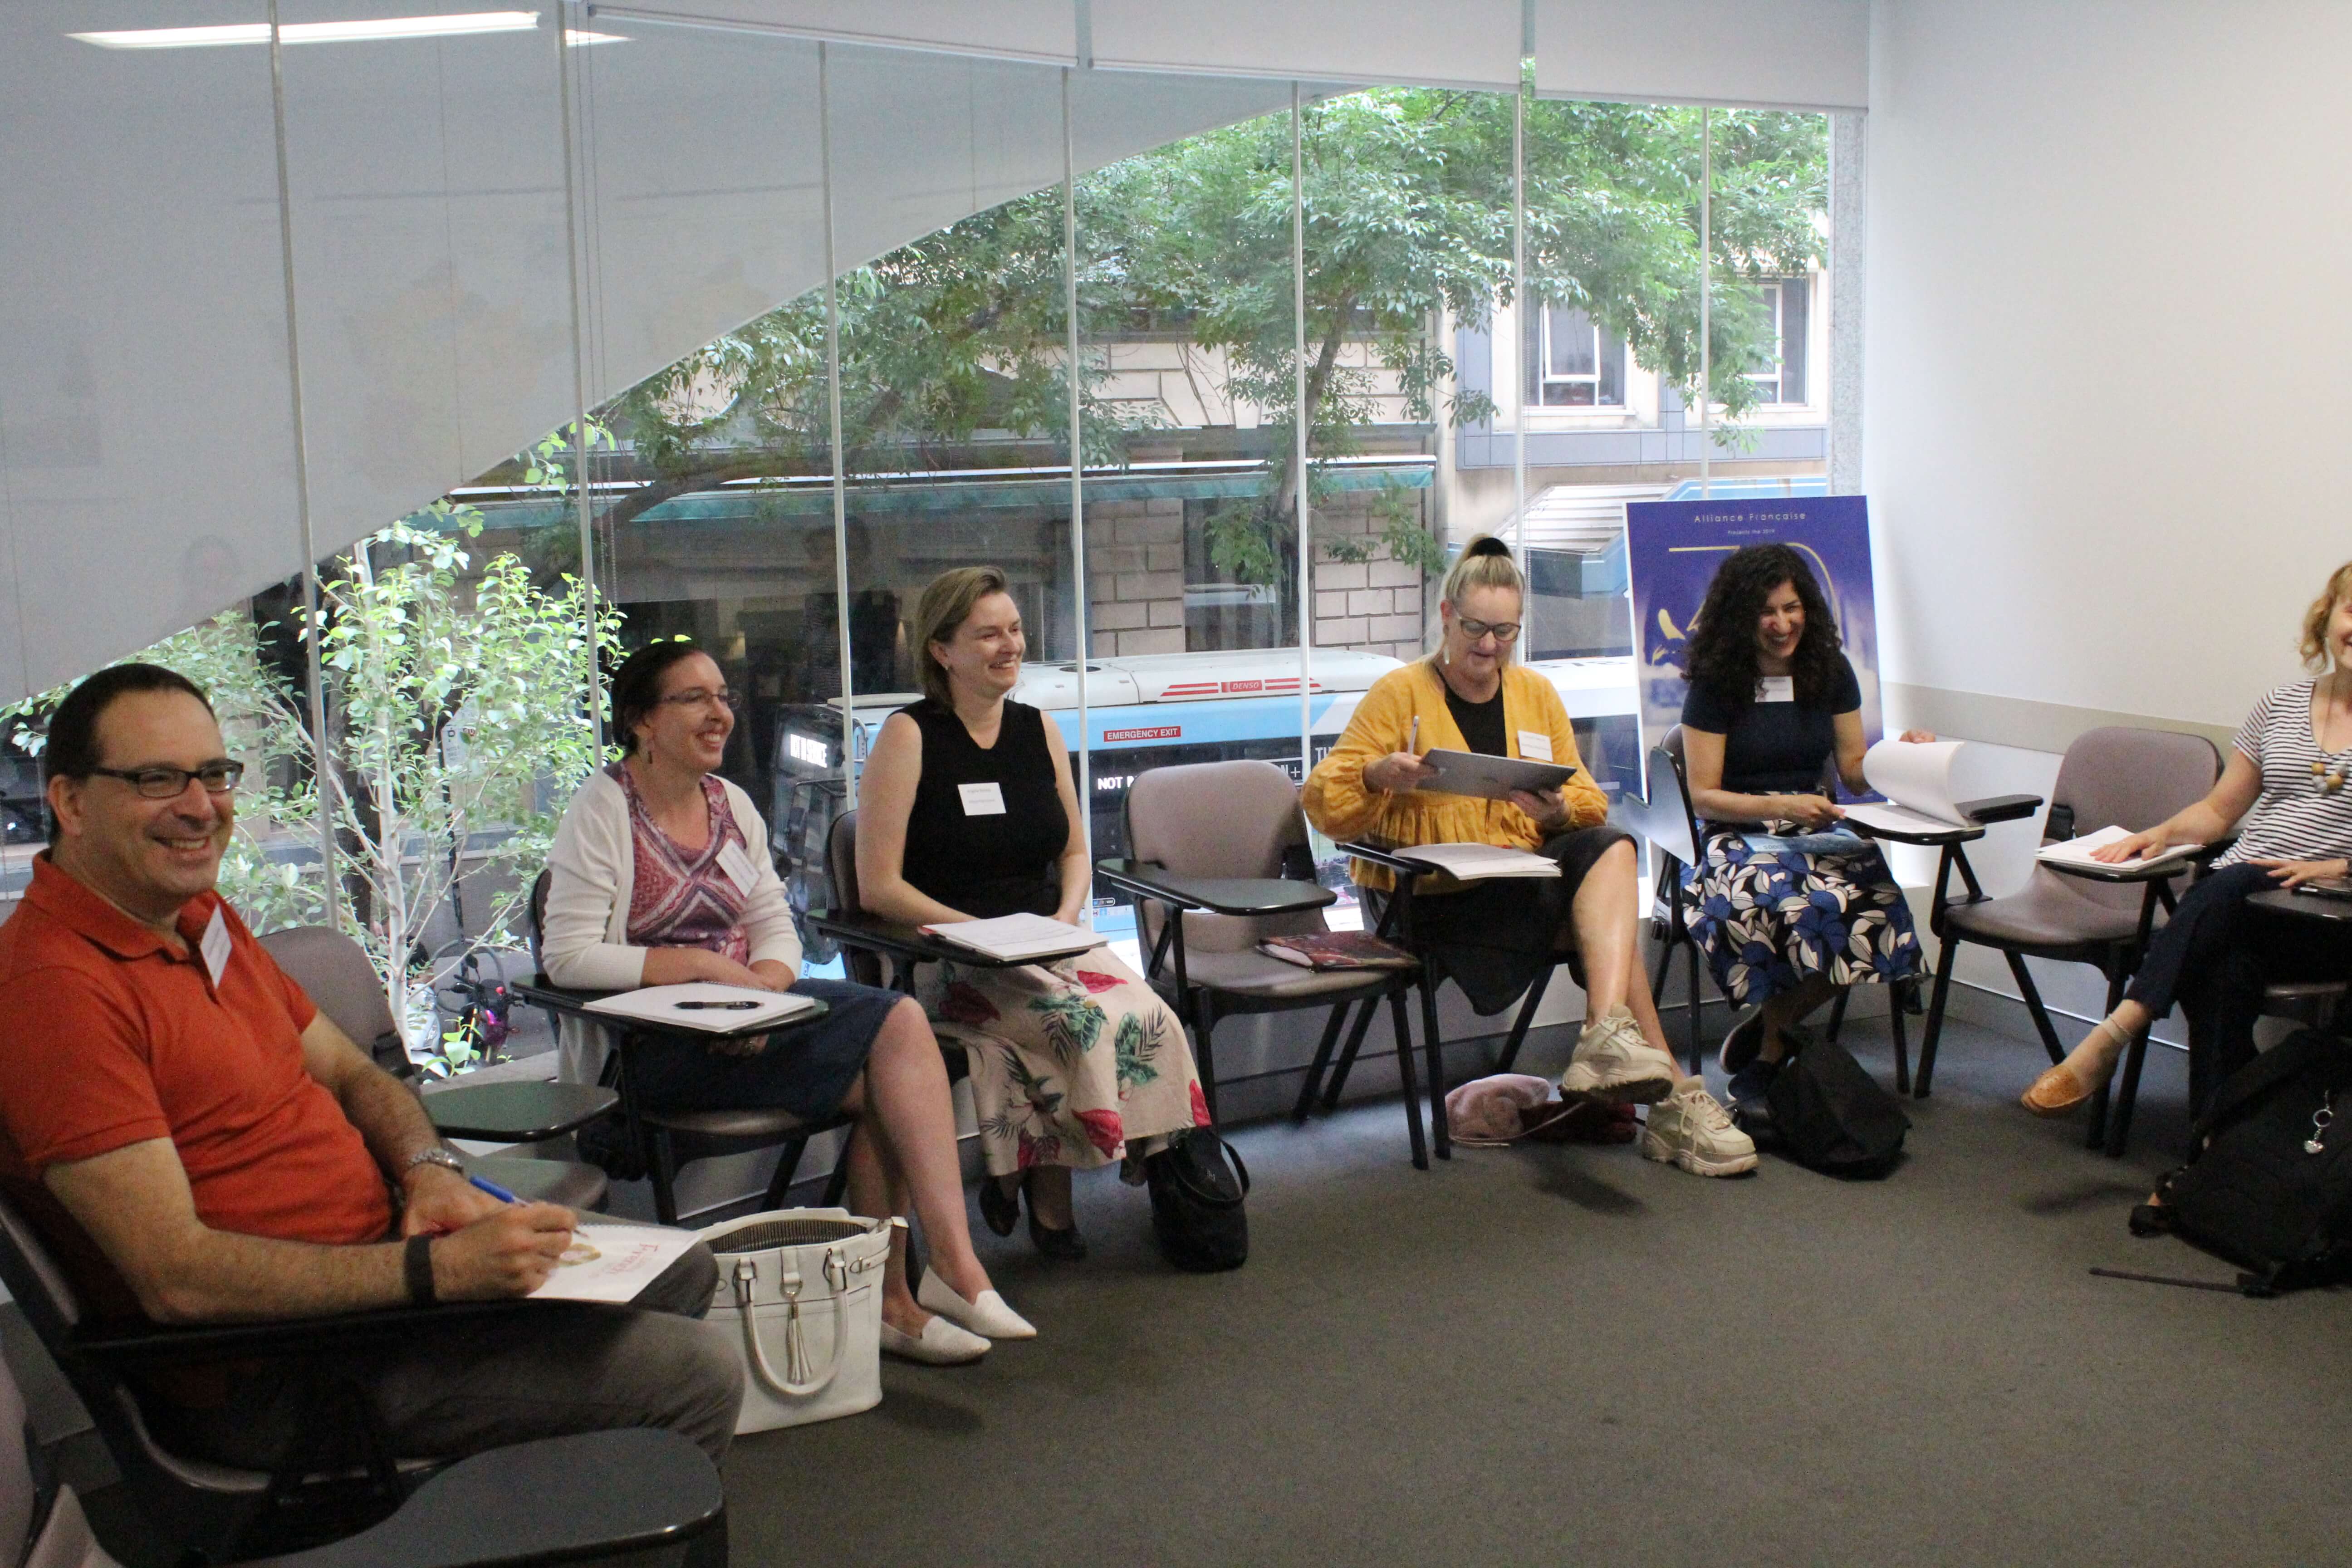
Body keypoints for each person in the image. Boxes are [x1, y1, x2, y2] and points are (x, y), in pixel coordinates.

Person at [0, 664, 743, 1467]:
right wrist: (434, 1272)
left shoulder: (194, 916)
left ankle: (540, 1508)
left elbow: (354, 1073)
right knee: (697, 1373)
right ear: (71, 802)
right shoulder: (54, 994)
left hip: (386, 1268)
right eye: (156, 779)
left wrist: (428, 1171)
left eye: (214, 774)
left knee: (679, 1268)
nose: (199, 805)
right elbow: (177, 1277)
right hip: (299, 1364)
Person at [543, 639, 1028, 1362]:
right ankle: (934, 1283)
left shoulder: (730, 803)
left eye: (723, 697)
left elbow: (774, 923)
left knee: (886, 1052)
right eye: (695, 699)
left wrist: (765, 989)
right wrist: (702, 968)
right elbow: (568, 956)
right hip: (653, 1051)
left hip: (751, 1021)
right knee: (891, 1034)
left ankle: (908, 1292)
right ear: (643, 720)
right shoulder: (604, 808)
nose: (721, 714)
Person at [1303, 536, 1757, 1177]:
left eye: (1505, 633)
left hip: (1521, 886)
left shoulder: (1536, 694)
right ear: (1445, 616)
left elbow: (1586, 799)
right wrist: (1378, 775)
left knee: (1610, 843)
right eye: (1476, 629)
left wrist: (1559, 813)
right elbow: (1323, 804)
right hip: (1432, 903)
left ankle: (1609, 1038)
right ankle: (1671, 1094)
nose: (1488, 647)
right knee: (1613, 931)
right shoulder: (1399, 695)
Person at [854, 568, 1210, 1258]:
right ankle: (1046, 1198)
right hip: (955, 957)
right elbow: (879, 887)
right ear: (942, 650)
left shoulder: (1038, 729)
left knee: (1152, 1016)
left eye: (1014, 630)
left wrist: (1068, 917)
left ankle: (1045, 1188)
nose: (1008, 645)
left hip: (1050, 943)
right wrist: (977, 934)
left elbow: (1076, 851)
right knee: (1077, 1025)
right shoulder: (907, 736)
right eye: (987, 634)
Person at [2023, 559, 2352, 1120]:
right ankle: (2210, 1158)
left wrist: (2338, 868)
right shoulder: (2280, 704)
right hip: (2241, 904)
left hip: (2324, 914)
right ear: (2328, 616)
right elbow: (2221, 811)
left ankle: (2114, 1033)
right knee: (2221, 976)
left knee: (2241, 878)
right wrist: (2158, 834)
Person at [1676, 543, 1935, 1101]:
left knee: (1876, 904)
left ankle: (1774, 1028)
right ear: (1742, 617)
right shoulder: (1718, 681)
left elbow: (1856, 774)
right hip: (1735, 831)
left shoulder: (1830, 670)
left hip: (1814, 825)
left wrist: (1905, 755)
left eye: (1792, 609)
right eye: (1767, 612)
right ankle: (1774, 1050)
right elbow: (1704, 798)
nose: (1781, 623)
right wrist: (1782, 806)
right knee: (1777, 902)